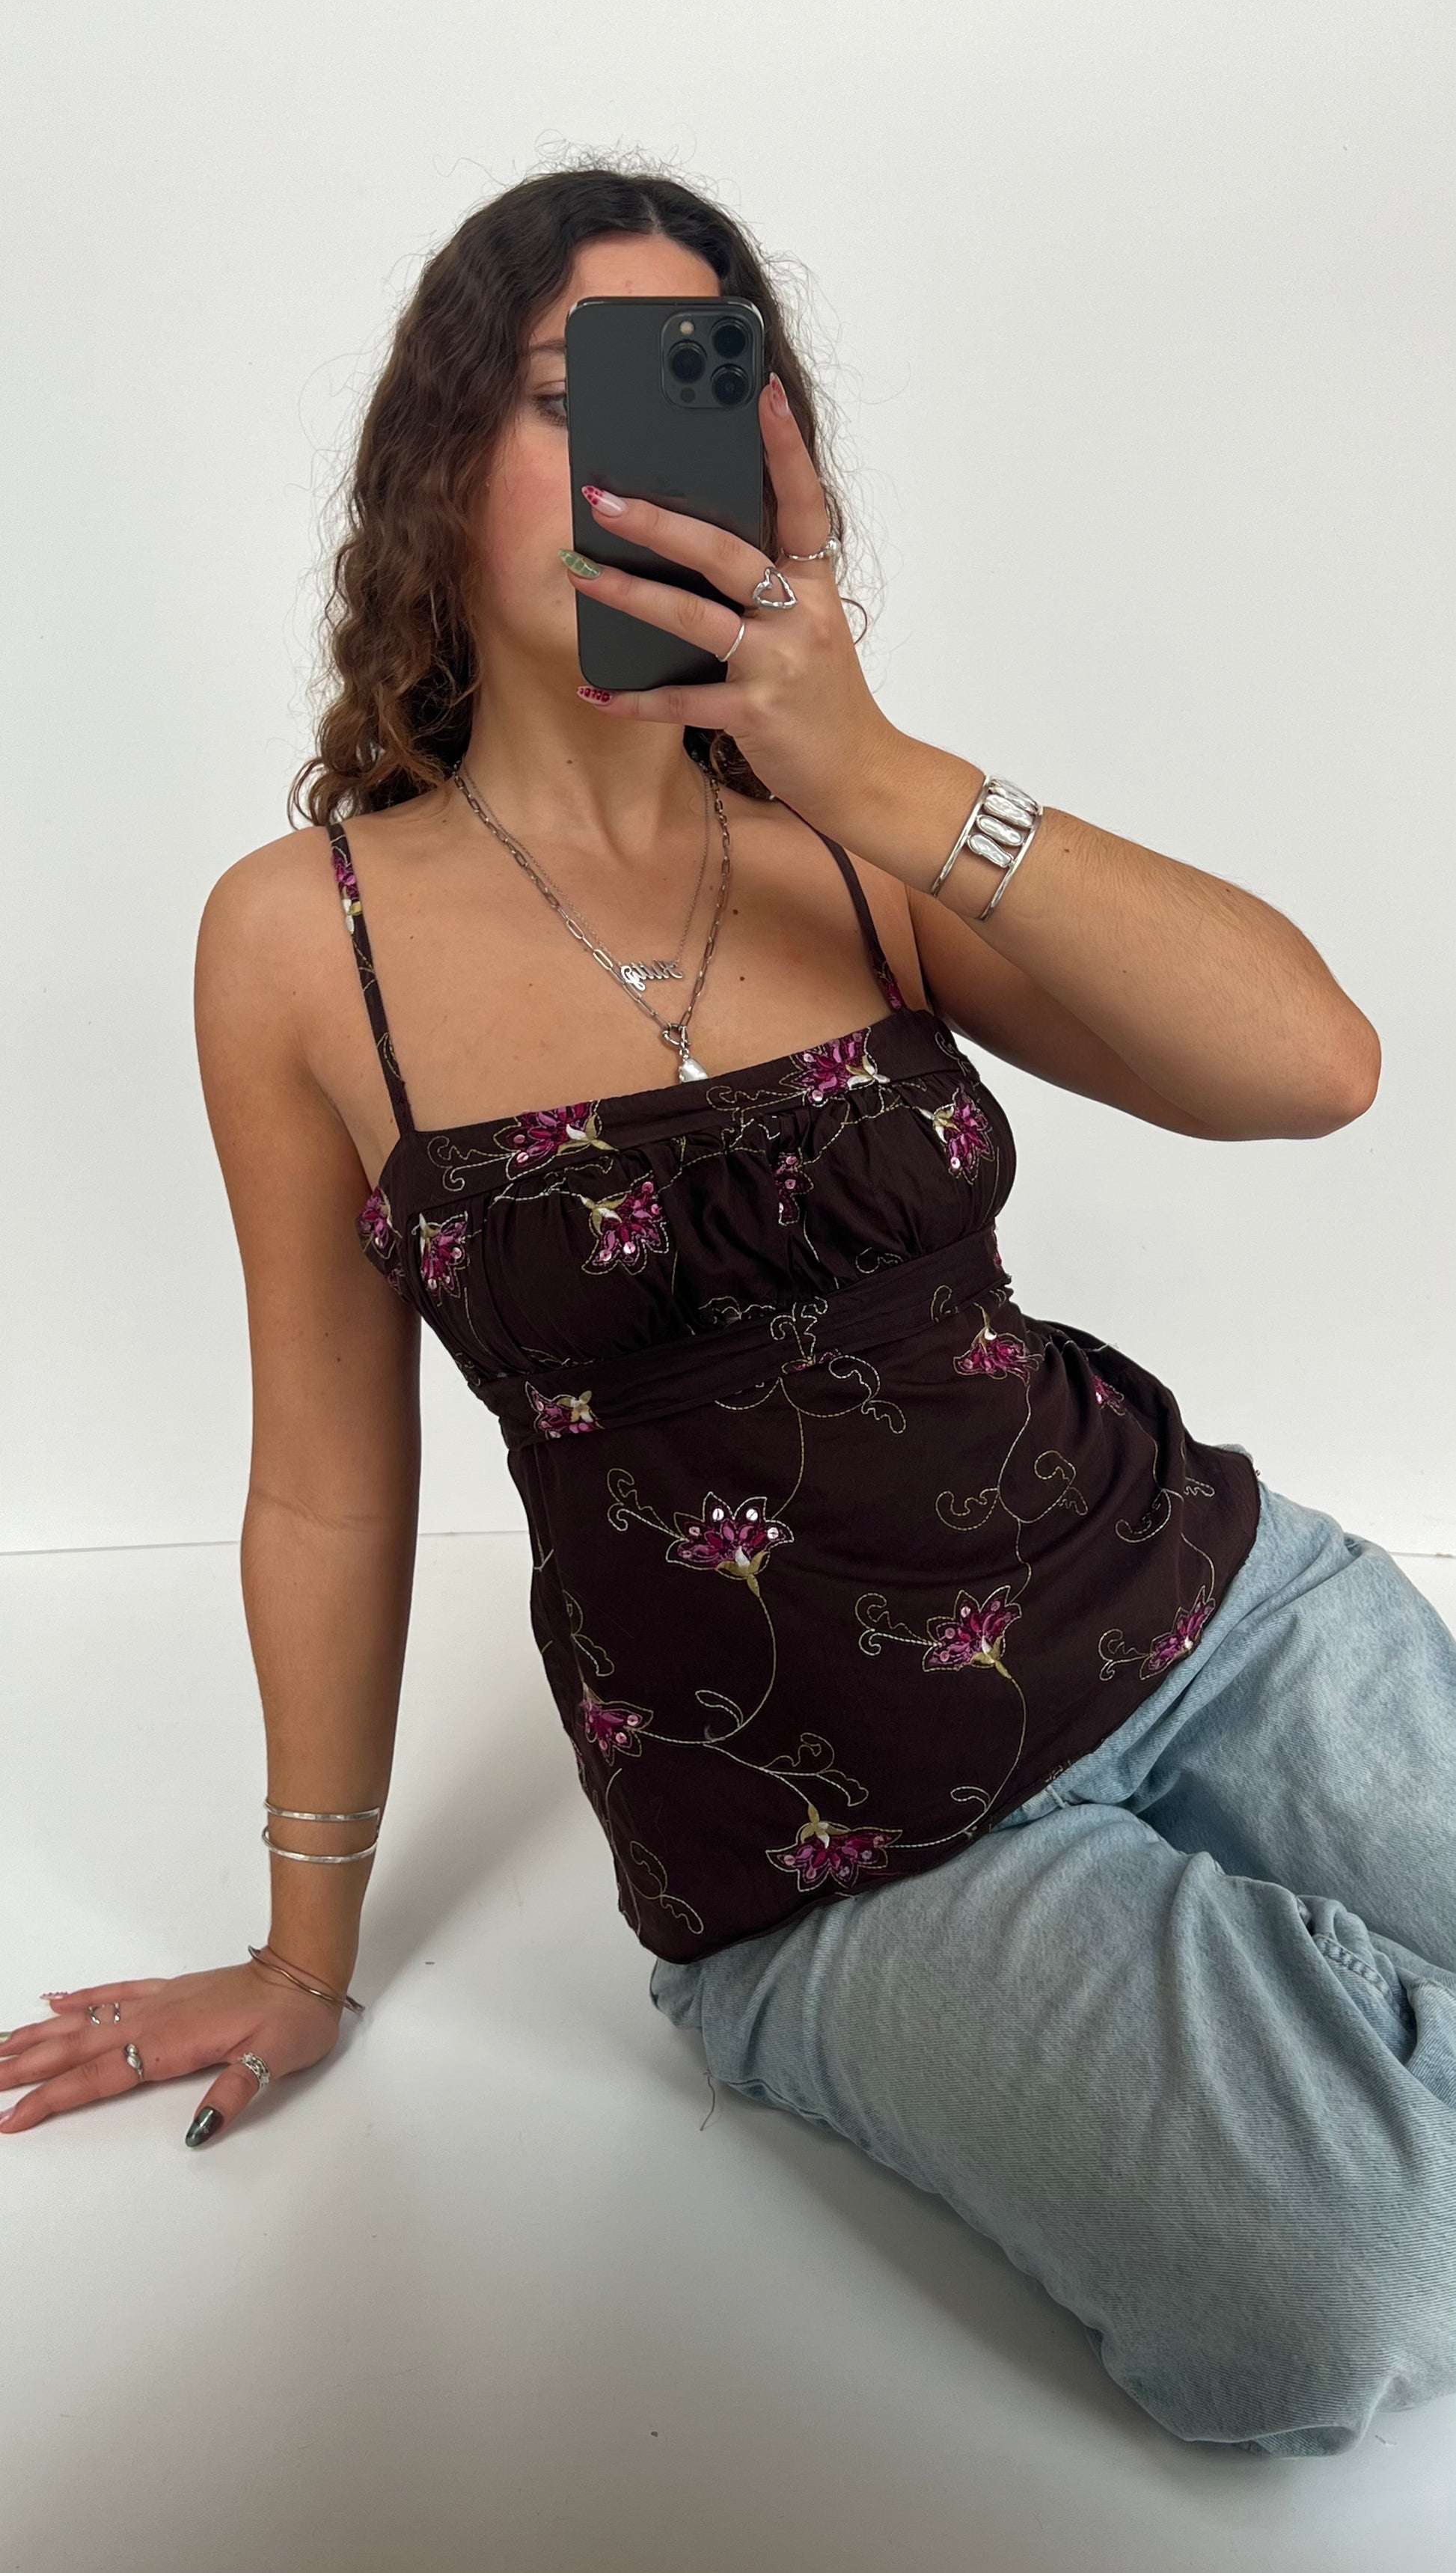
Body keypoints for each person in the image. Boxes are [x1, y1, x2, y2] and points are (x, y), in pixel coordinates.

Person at [4, 165, 1452, 2461]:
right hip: (840, 1845)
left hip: (1202, 1604)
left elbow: (1316, 1068)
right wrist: (300, 1954)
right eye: (569, 396)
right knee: (1326, 2309)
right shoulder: (301, 937)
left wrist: (879, 773)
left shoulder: (861, 837)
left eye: (693, 393)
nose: (629, 465)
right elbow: (325, 1482)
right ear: (435, 462)